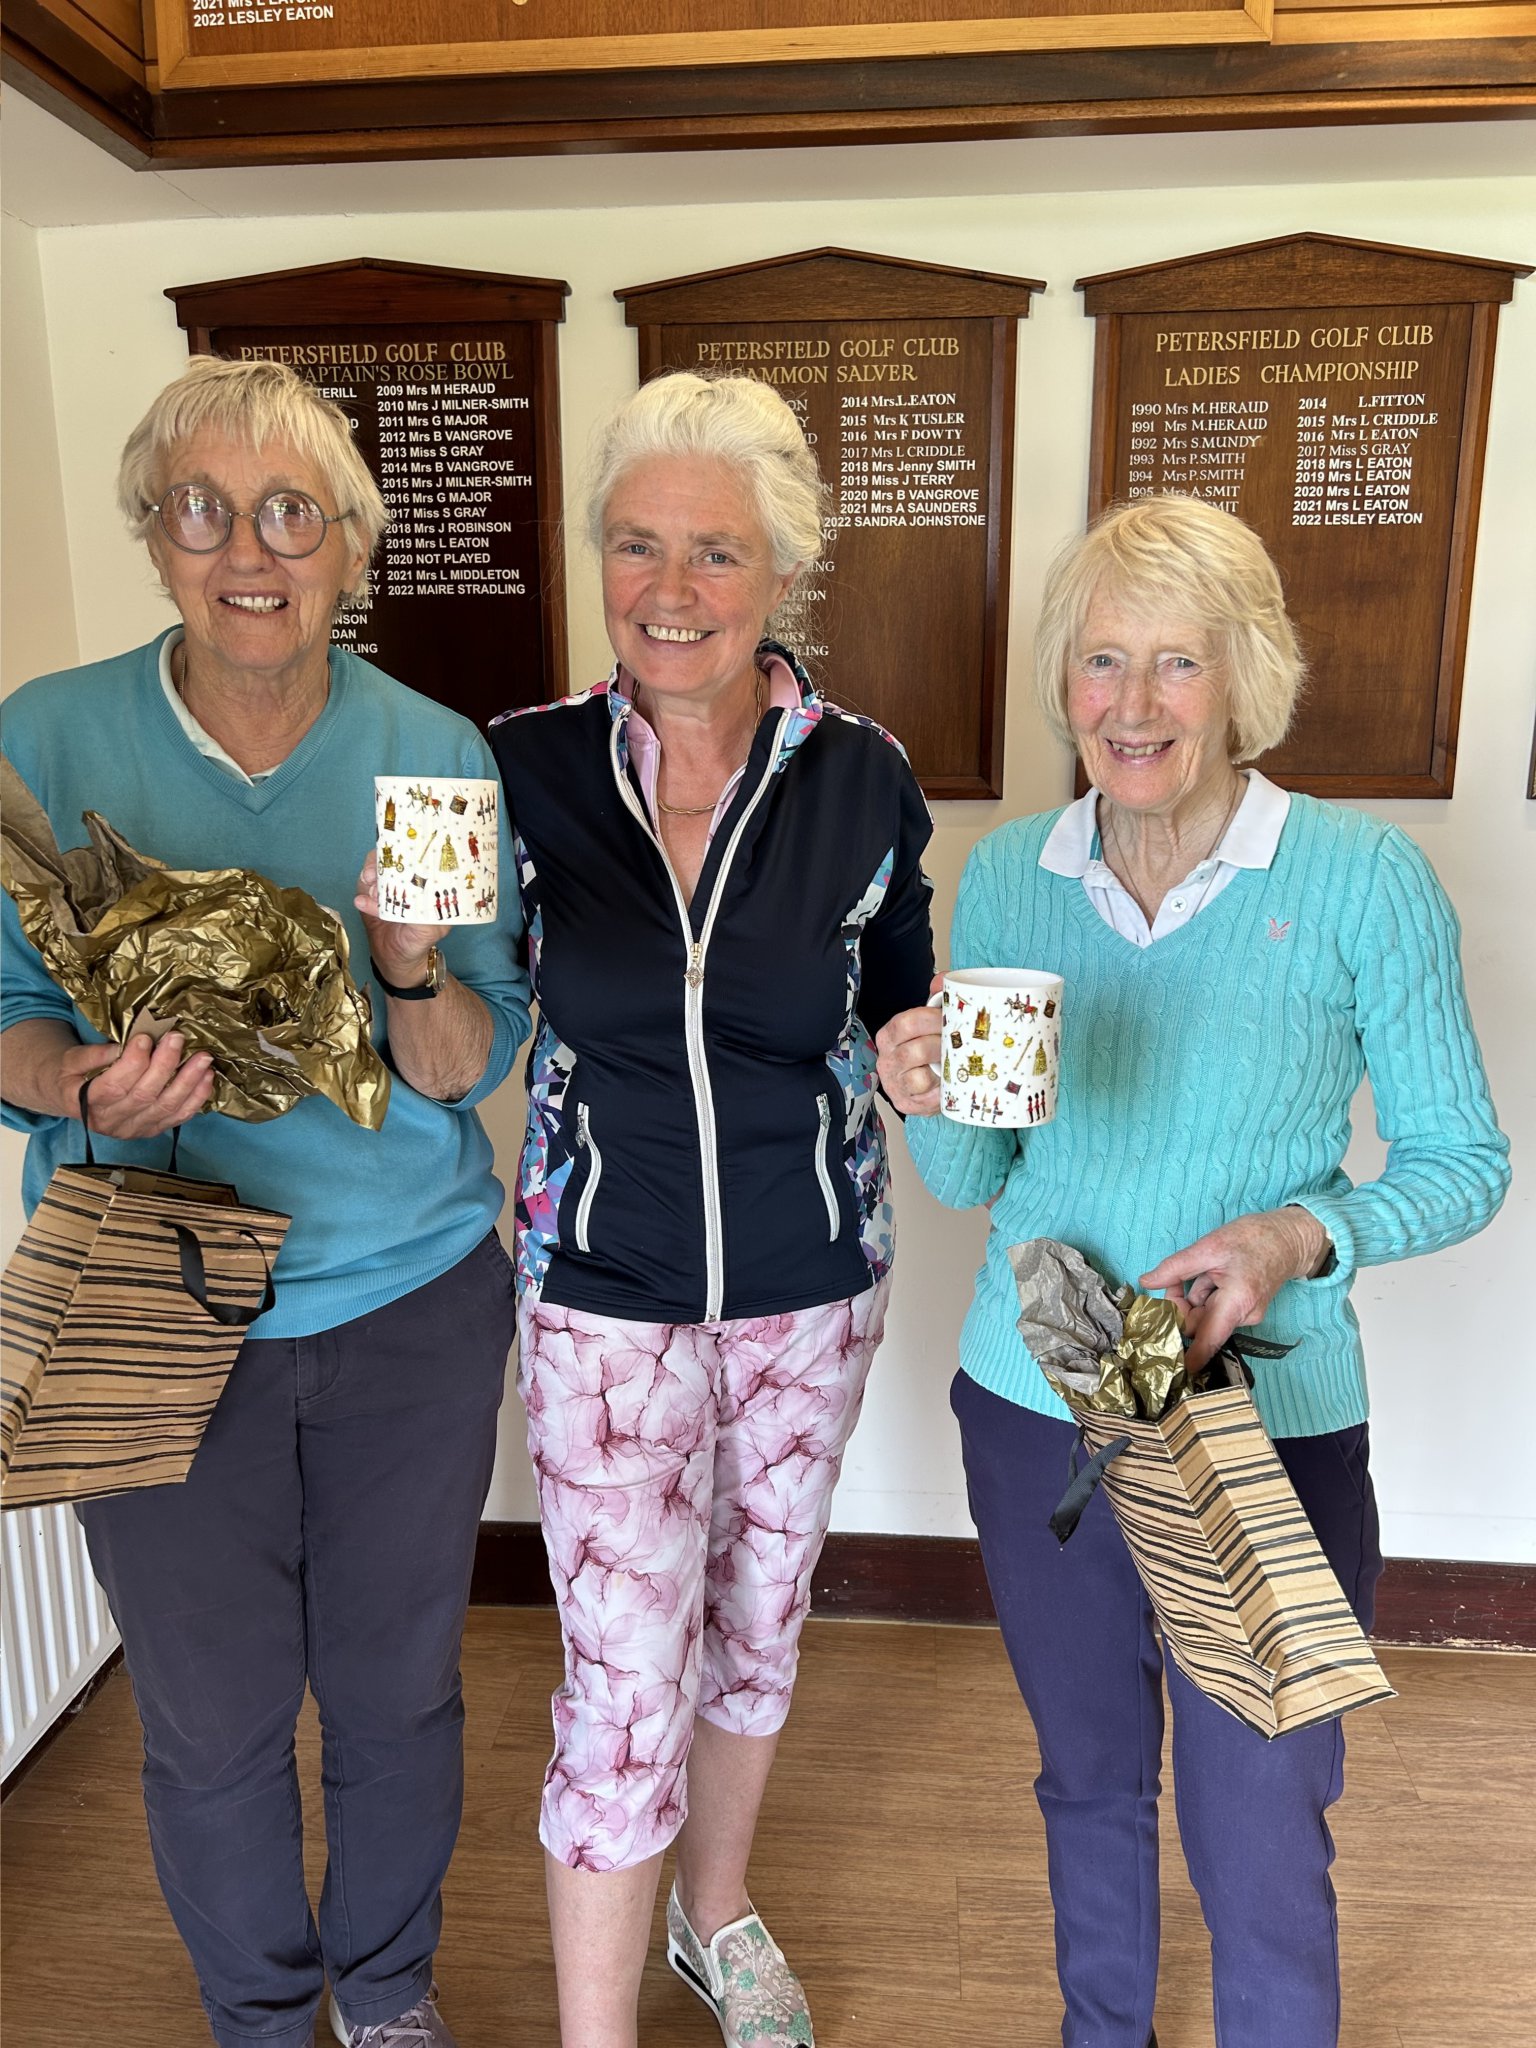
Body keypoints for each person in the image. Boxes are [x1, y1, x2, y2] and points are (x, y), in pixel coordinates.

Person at [874, 495, 1510, 2048]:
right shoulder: (1013, 872)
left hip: (1263, 1424)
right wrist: (917, 1090)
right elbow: (980, 1180)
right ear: (1067, 685)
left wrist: (1301, 1236)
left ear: (1245, 683)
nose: (1133, 706)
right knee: (1088, 1774)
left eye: (1177, 665)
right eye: (1102, 663)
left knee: (1261, 1808)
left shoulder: (1363, 881)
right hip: (1039, 1401)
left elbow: (1463, 1162)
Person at [0, 356, 532, 2048]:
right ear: (156, 537)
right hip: (139, 1294)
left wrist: (405, 965)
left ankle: (384, 1999)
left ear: (349, 548)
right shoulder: (44, 736)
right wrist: (78, 1083)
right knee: (209, 1715)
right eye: (202, 508)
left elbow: (463, 1063)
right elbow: (5, 1014)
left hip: (405, 1296)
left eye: (294, 512)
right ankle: (258, 2018)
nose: (251, 547)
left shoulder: (433, 753)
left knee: (396, 1696)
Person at [489, 371, 934, 2048]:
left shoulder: (863, 779)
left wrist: (915, 1052)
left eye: (717, 554)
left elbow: (900, 1006)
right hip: (603, 1291)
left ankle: (716, 1913)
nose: (671, 590)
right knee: (618, 1683)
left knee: (762, 1618)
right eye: (637, 546)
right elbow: (460, 1017)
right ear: (600, 558)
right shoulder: (522, 768)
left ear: (783, 577)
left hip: (814, 1284)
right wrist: (400, 960)